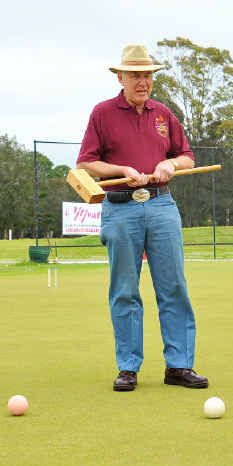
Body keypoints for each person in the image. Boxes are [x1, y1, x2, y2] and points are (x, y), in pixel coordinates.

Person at [76, 44, 209, 392]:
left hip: (162, 206)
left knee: (173, 286)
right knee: (124, 289)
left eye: (148, 75)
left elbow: (188, 157)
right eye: (135, 75)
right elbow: (87, 163)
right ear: (120, 77)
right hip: (120, 207)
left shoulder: (163, 114)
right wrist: (120, 169)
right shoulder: (102, 113)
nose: (143, 81)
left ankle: (179, 365)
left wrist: (169, 164)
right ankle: (128, 367)